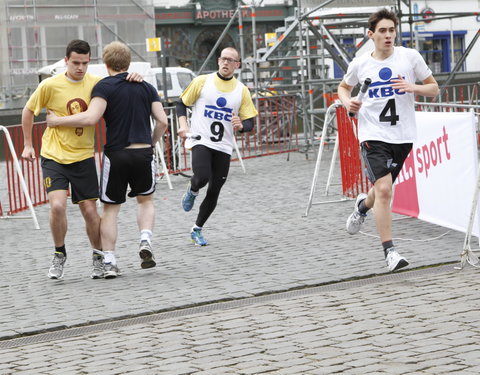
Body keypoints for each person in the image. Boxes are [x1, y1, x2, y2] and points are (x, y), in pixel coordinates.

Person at [21, 39, 142, 280]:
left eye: (85, 63)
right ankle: (59, 253)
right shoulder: (50, 85)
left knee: (89, 210)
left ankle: (98, 257)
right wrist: (27, 145)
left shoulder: (97, 84)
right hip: (53, 155)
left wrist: (133, 77)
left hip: (83, 156)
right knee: (57, 205)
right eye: (76, 63)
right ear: (66, 61)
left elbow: (119, 87)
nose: (80, 68)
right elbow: (28, 110)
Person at [47, 41, 168, 279]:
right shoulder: (146, 87)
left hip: (117, 153)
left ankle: (110, 261)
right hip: (143, 151)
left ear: (105, 63)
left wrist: (57, 121)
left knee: (111, 210)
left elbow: (91, 118)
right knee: (146, 201)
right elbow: (163, 121)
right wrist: (151, 142)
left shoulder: (104, 87)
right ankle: (145, 239)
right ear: (128, 63)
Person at [337, 9, 439, 271]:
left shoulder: (409, 57)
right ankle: (390, 252)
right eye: (382, 31)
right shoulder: (360, 63)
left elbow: (434, 88)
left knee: (379, 191)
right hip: (372, 134)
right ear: (371, 34)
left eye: (391, 30)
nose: (388, 35)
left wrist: (413, 87)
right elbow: (343, 87)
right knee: (384, 190)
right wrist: (349, 102)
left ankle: (362, 206)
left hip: (403, 136)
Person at [176, 47, 258, 246]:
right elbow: (181, 103)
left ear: (237, 65)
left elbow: (250, 123)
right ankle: (193, 189)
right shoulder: (202, 81)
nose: (226, 63)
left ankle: (197, 229)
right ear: (218, 61)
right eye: (223, 59)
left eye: (231, 60)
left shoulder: (242, 91)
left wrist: (242, 126)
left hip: (223, 146)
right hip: (200, 139)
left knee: (215, 190)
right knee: (202, 176)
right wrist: (183, 125)